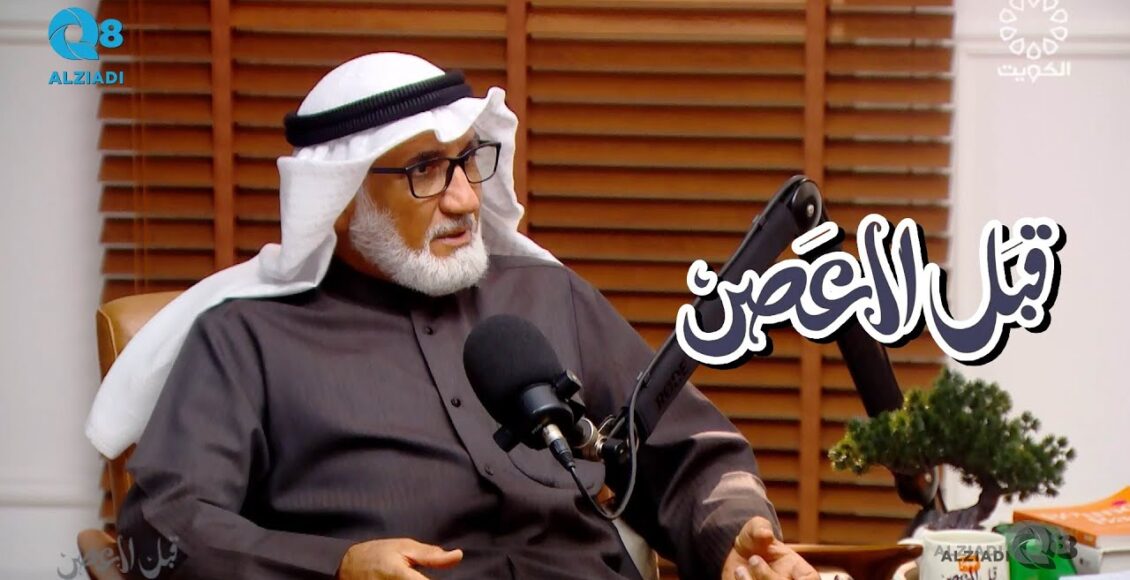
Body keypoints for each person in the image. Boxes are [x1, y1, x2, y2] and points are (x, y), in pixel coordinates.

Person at [103, 53, 819, 580]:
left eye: (468, 161)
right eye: (424, 171)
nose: (465, 199)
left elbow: (683, 447)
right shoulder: (247, 339)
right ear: (341, 201)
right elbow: (161, 526)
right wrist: (337, 567)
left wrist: (734, 536)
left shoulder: (545, 297)